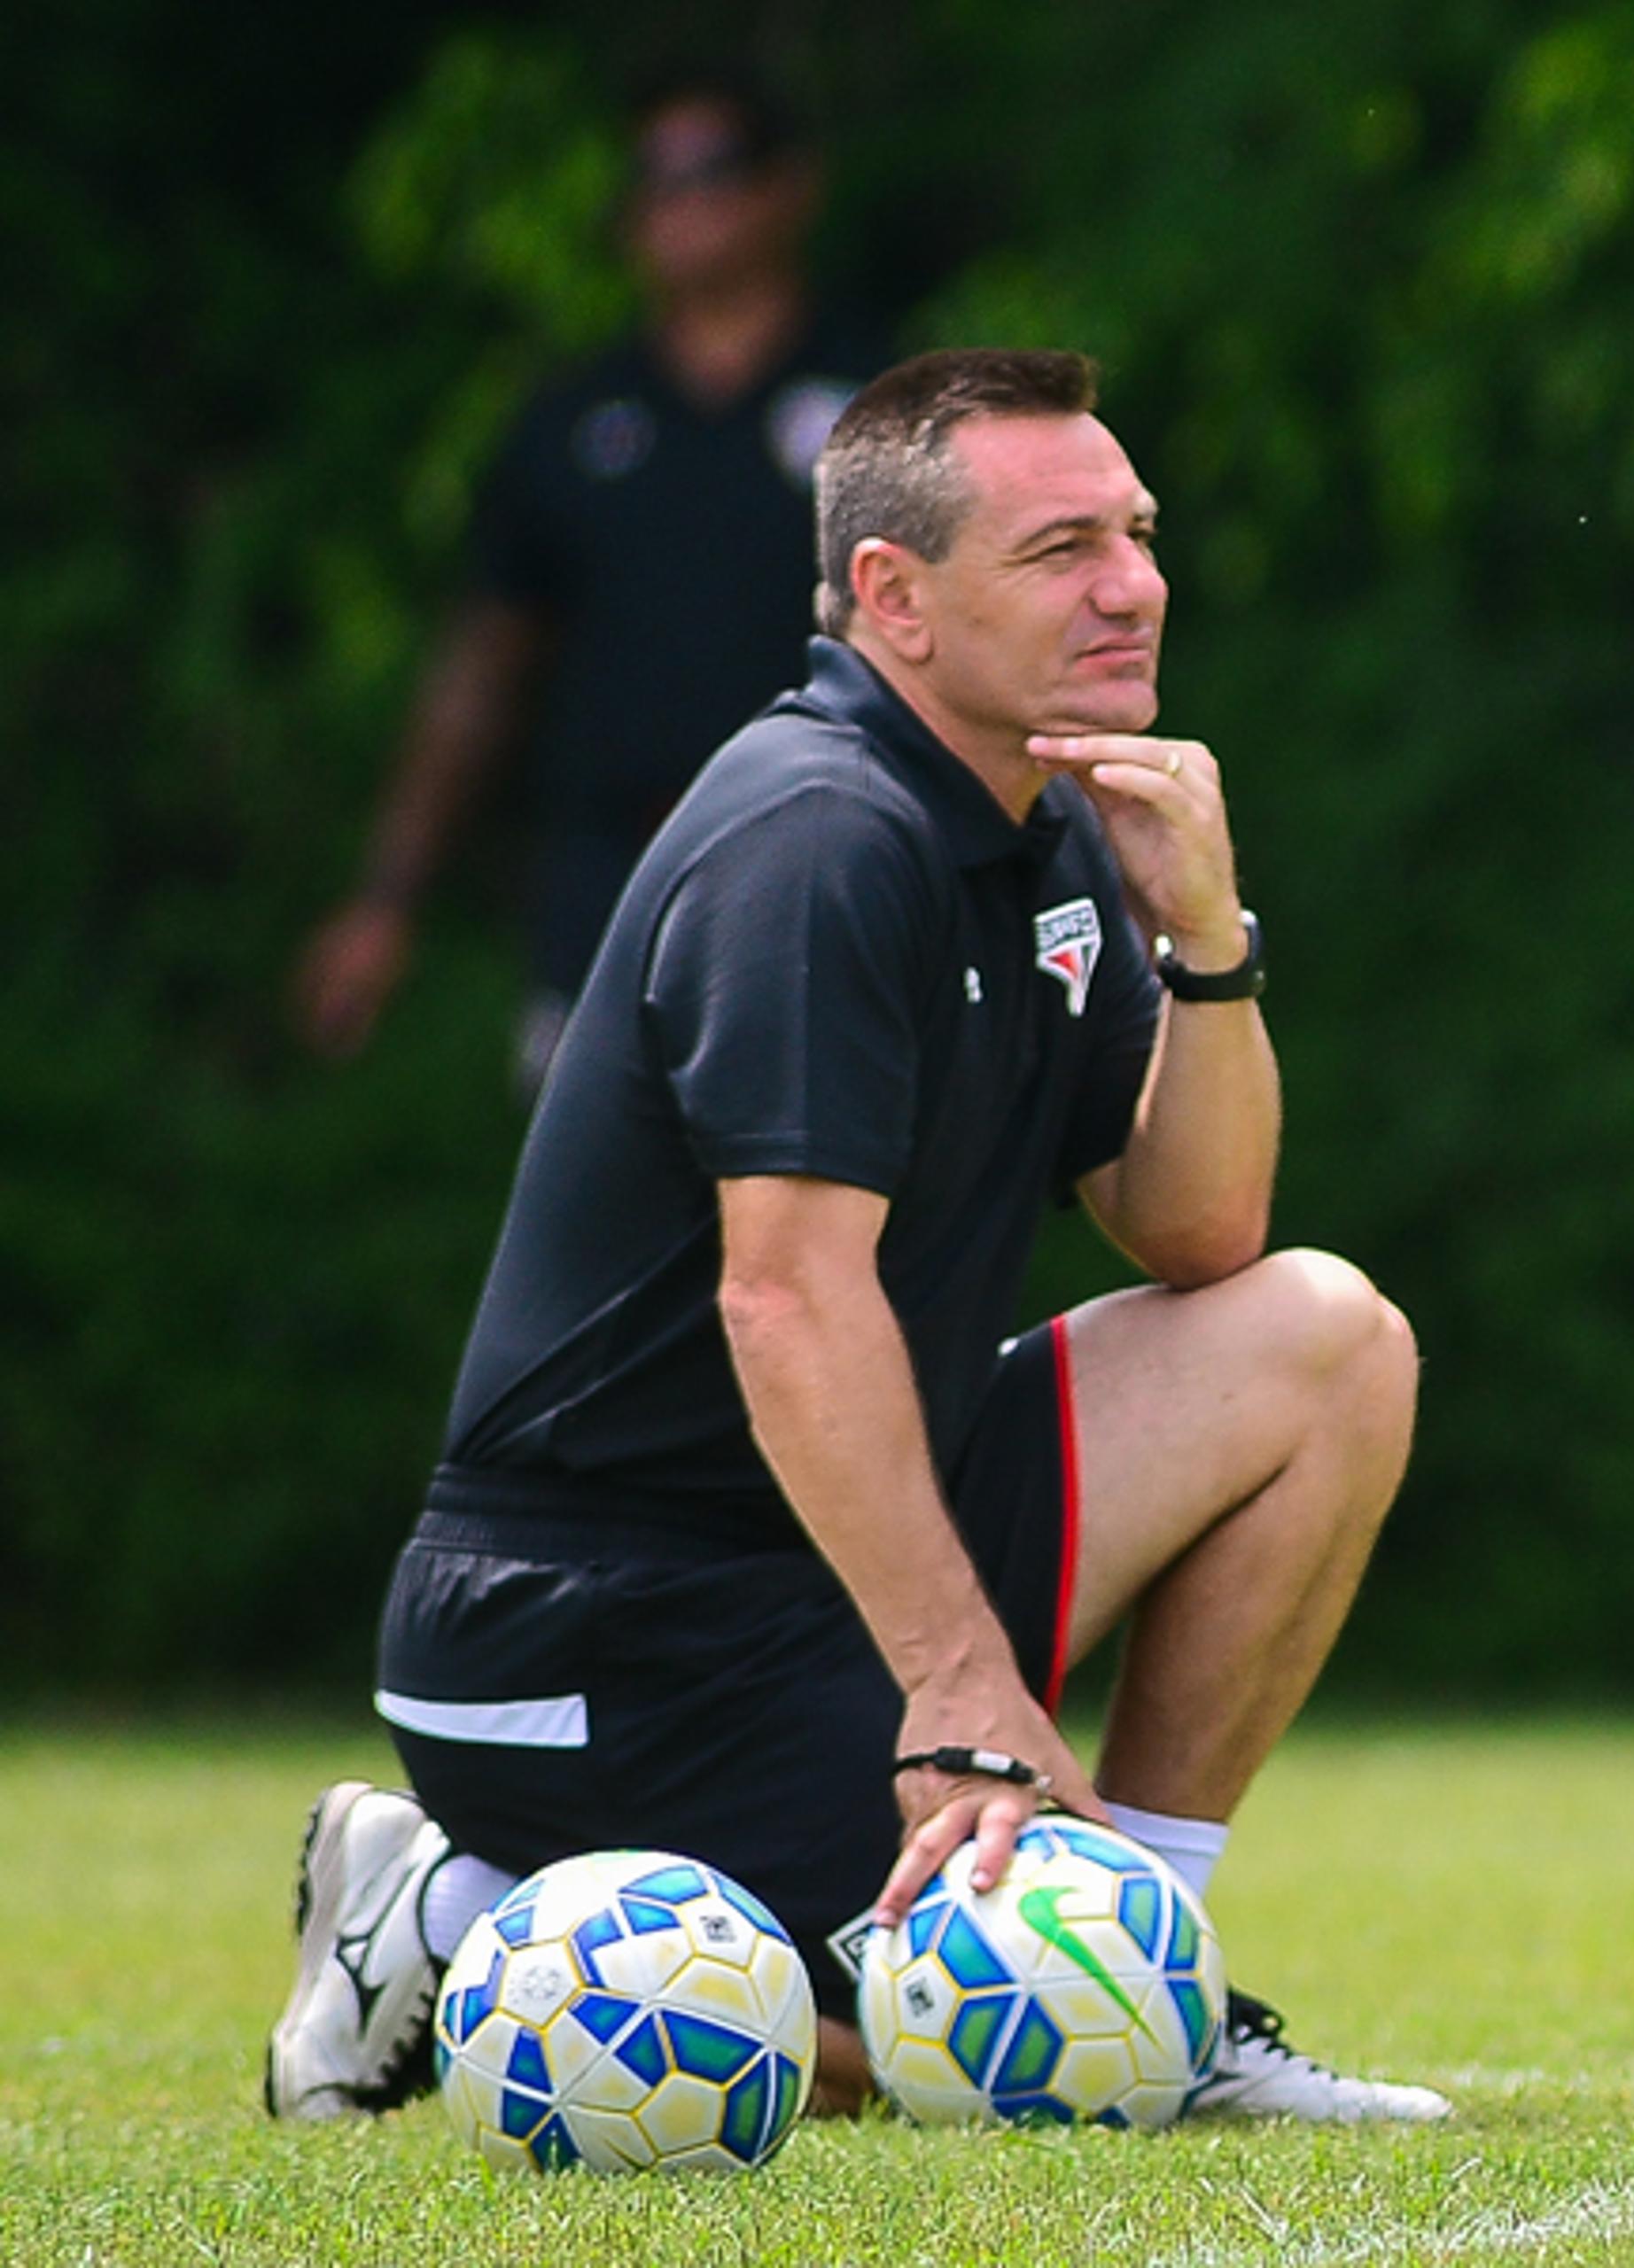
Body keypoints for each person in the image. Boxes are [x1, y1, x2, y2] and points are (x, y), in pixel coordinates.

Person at [265, 347, 1444, 2125]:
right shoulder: (821, 834)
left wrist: (1206, 933)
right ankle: (450, 1907)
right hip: (585, 1621)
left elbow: (1201, 1226)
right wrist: (964, 1687)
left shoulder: (1039, 823)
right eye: (1062, 549)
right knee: (907, 2066)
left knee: (1325, 1337)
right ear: (892, 596)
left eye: (1135, 533)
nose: (1135, 580)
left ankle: (1146, 1962)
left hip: (825, 1551)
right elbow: (783, 1295)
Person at [295, 68, 885, 1093]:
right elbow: (487, 663)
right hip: (616, 874)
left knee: (827, 1195)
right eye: (651, 177)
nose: (677, 200)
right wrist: (387, 897)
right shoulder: (573, 420)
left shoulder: (880, 400)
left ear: (789, 187)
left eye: (711, 169)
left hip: (831, 862)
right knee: (605, 1210)